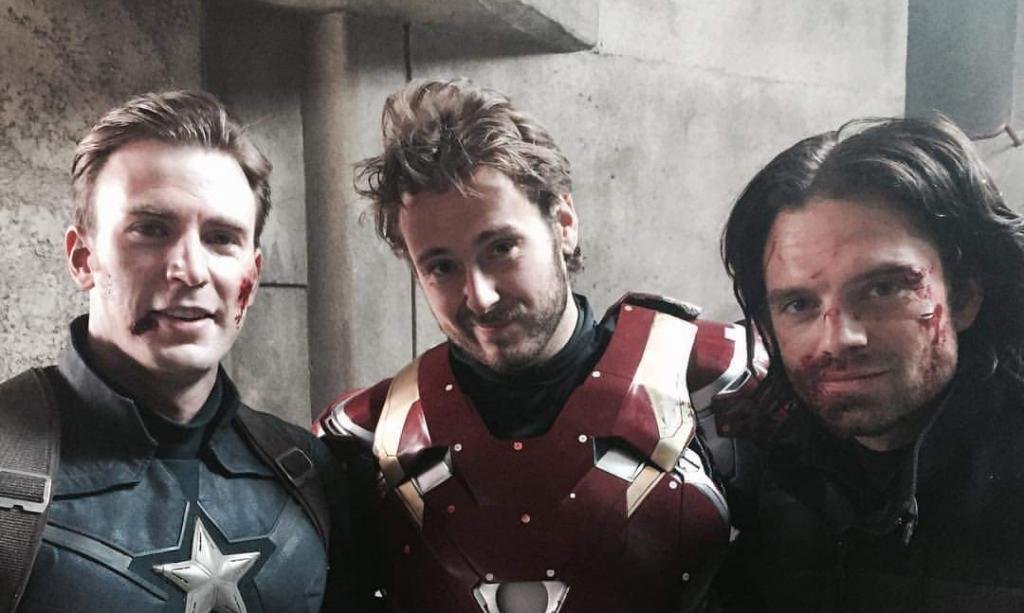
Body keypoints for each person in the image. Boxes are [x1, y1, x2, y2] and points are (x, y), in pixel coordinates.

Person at [314, 78, 760, 612]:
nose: (480, 296)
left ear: (564, 224)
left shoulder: (716, 383)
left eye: (501, 248)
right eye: (441, 267)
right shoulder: (365, 435)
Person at [0, 90, 359, 612]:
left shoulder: (308, 473)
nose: (189, 270)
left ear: (252, 276)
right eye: (151, 230)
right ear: (82, 258)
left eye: (221, 238)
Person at [719, 115, 1024, 610]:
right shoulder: (766, 470)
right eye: (799, 304)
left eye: (883, 289)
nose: (839, 339)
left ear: (966, 295)